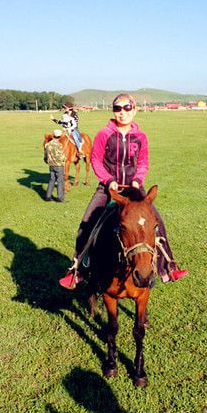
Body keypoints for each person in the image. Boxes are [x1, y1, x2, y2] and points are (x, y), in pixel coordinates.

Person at [60, 93, 188, 289]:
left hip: (134, 188)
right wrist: (108, 180)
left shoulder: (141, 136)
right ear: (114, 112)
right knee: (87, 223)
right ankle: (78, 270)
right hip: (108, 188)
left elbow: (143, 162)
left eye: (127, 108)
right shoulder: (104, 133)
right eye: (118, 109)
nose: (122, 113)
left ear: (134, 110)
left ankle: (168, 267)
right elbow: (96, 160)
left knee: (158, 223)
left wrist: (137, 180)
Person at [44, 129, 66, 202]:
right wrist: (65, 157)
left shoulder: (48, 144)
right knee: (60, 181)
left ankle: (47, 197)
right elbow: (62, 156)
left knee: (51, 180)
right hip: (59, 166)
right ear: (59, 136)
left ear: (53, 135)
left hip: (51, 165)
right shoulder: (59, 145)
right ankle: (60, 198)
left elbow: (45, 156)